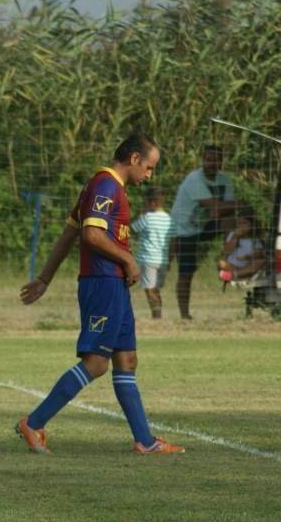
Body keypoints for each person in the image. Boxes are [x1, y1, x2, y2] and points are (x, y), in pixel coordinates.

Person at [16, 133, 184, 455]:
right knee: (96, 363)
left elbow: (69, 233)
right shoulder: (106, 185)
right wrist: (128, 259)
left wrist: (44, 278)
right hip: (102, 282)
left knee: (126, 360)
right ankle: (34, 423)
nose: (150, 175)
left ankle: (145, 441)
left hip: (114, 284)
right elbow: (91, 235)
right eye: (149, 167)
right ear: (134, 158)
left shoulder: (106, 187)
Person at [171, 145, 238, 319]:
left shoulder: (225, 180)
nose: (212, 163)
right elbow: (215, 206)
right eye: (209, 160)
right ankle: (184, 315)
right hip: (184, 229)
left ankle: (227, 258)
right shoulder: (194, 179)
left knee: (234, 220)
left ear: (221, 162)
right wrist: (227, 206)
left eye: (216, 160)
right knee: (186, 273)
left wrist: (222, 208)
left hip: (205, 225)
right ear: (203, 160)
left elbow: (226, 209)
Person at [130, 187, 174, 319]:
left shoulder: (147, 218)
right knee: (156, 289)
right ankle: (158, 314)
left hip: (148, 259)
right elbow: (173, 241)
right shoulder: (169, 219)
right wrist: (170, 259)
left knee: (149, 289)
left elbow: (132, 229)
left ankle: (156, 315)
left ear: (152, 203)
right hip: (163, 260)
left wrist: (142, 213)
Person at [218, 214, 266, 282]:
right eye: (239, 223)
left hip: (246, 266)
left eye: (244, 223)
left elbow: (258, 256)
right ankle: (235, 274)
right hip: (230, 265)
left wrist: (247, 257)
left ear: (251, 226)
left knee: (260, 262)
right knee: (222, 262)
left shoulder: (255, 240)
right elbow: (227, 251)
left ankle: (233, 275)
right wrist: (235, 237)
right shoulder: (232, 234)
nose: (241, 226)